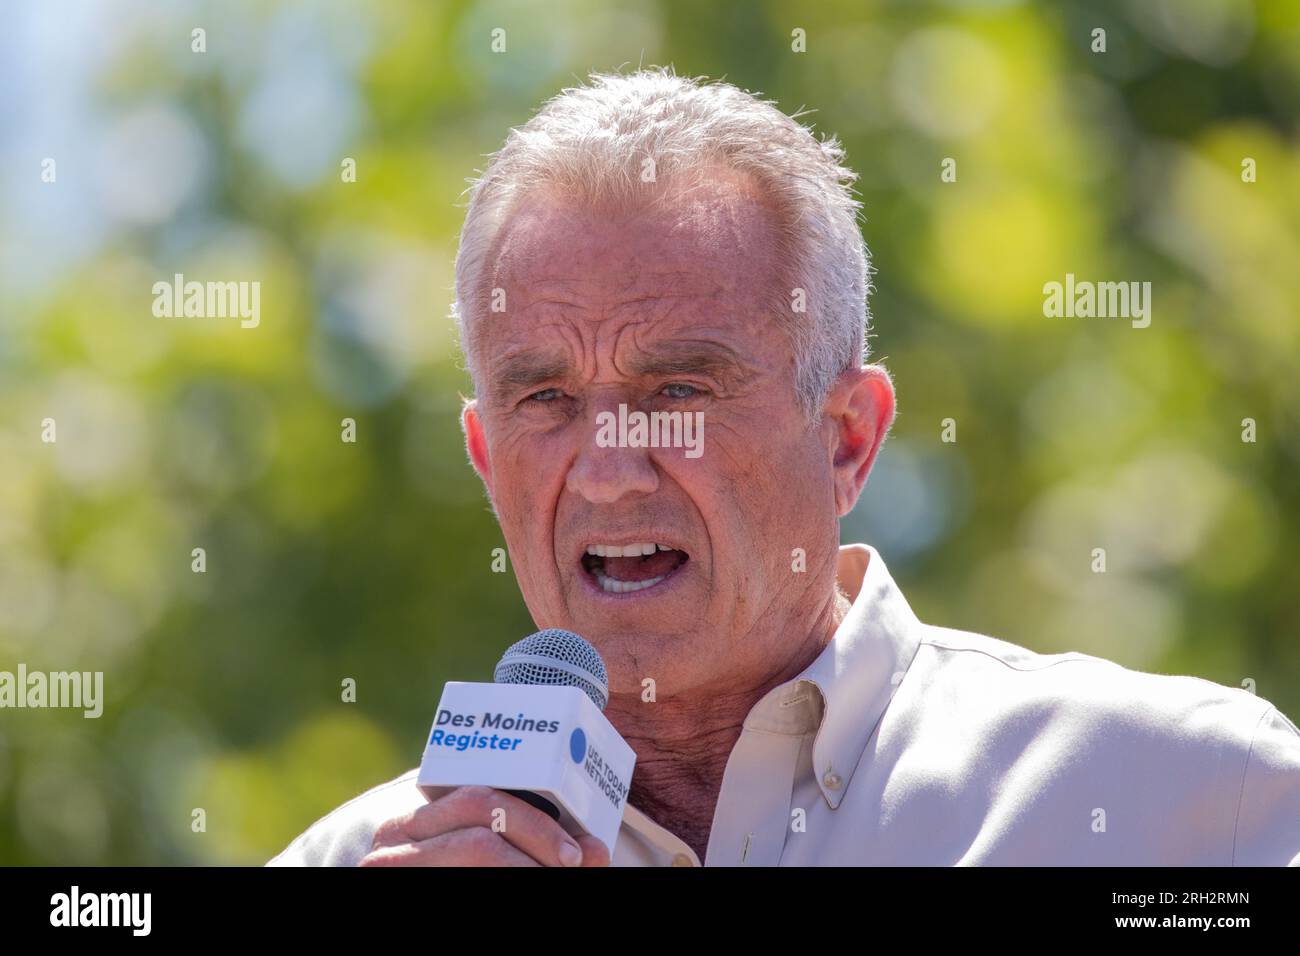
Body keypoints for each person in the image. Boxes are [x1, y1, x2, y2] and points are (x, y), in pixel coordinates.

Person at [268, 68, 1300, 867]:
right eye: (546, 401)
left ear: (847, 437)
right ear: (486, 460)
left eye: (679, 391)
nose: (608, 473)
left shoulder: (1190, 798)